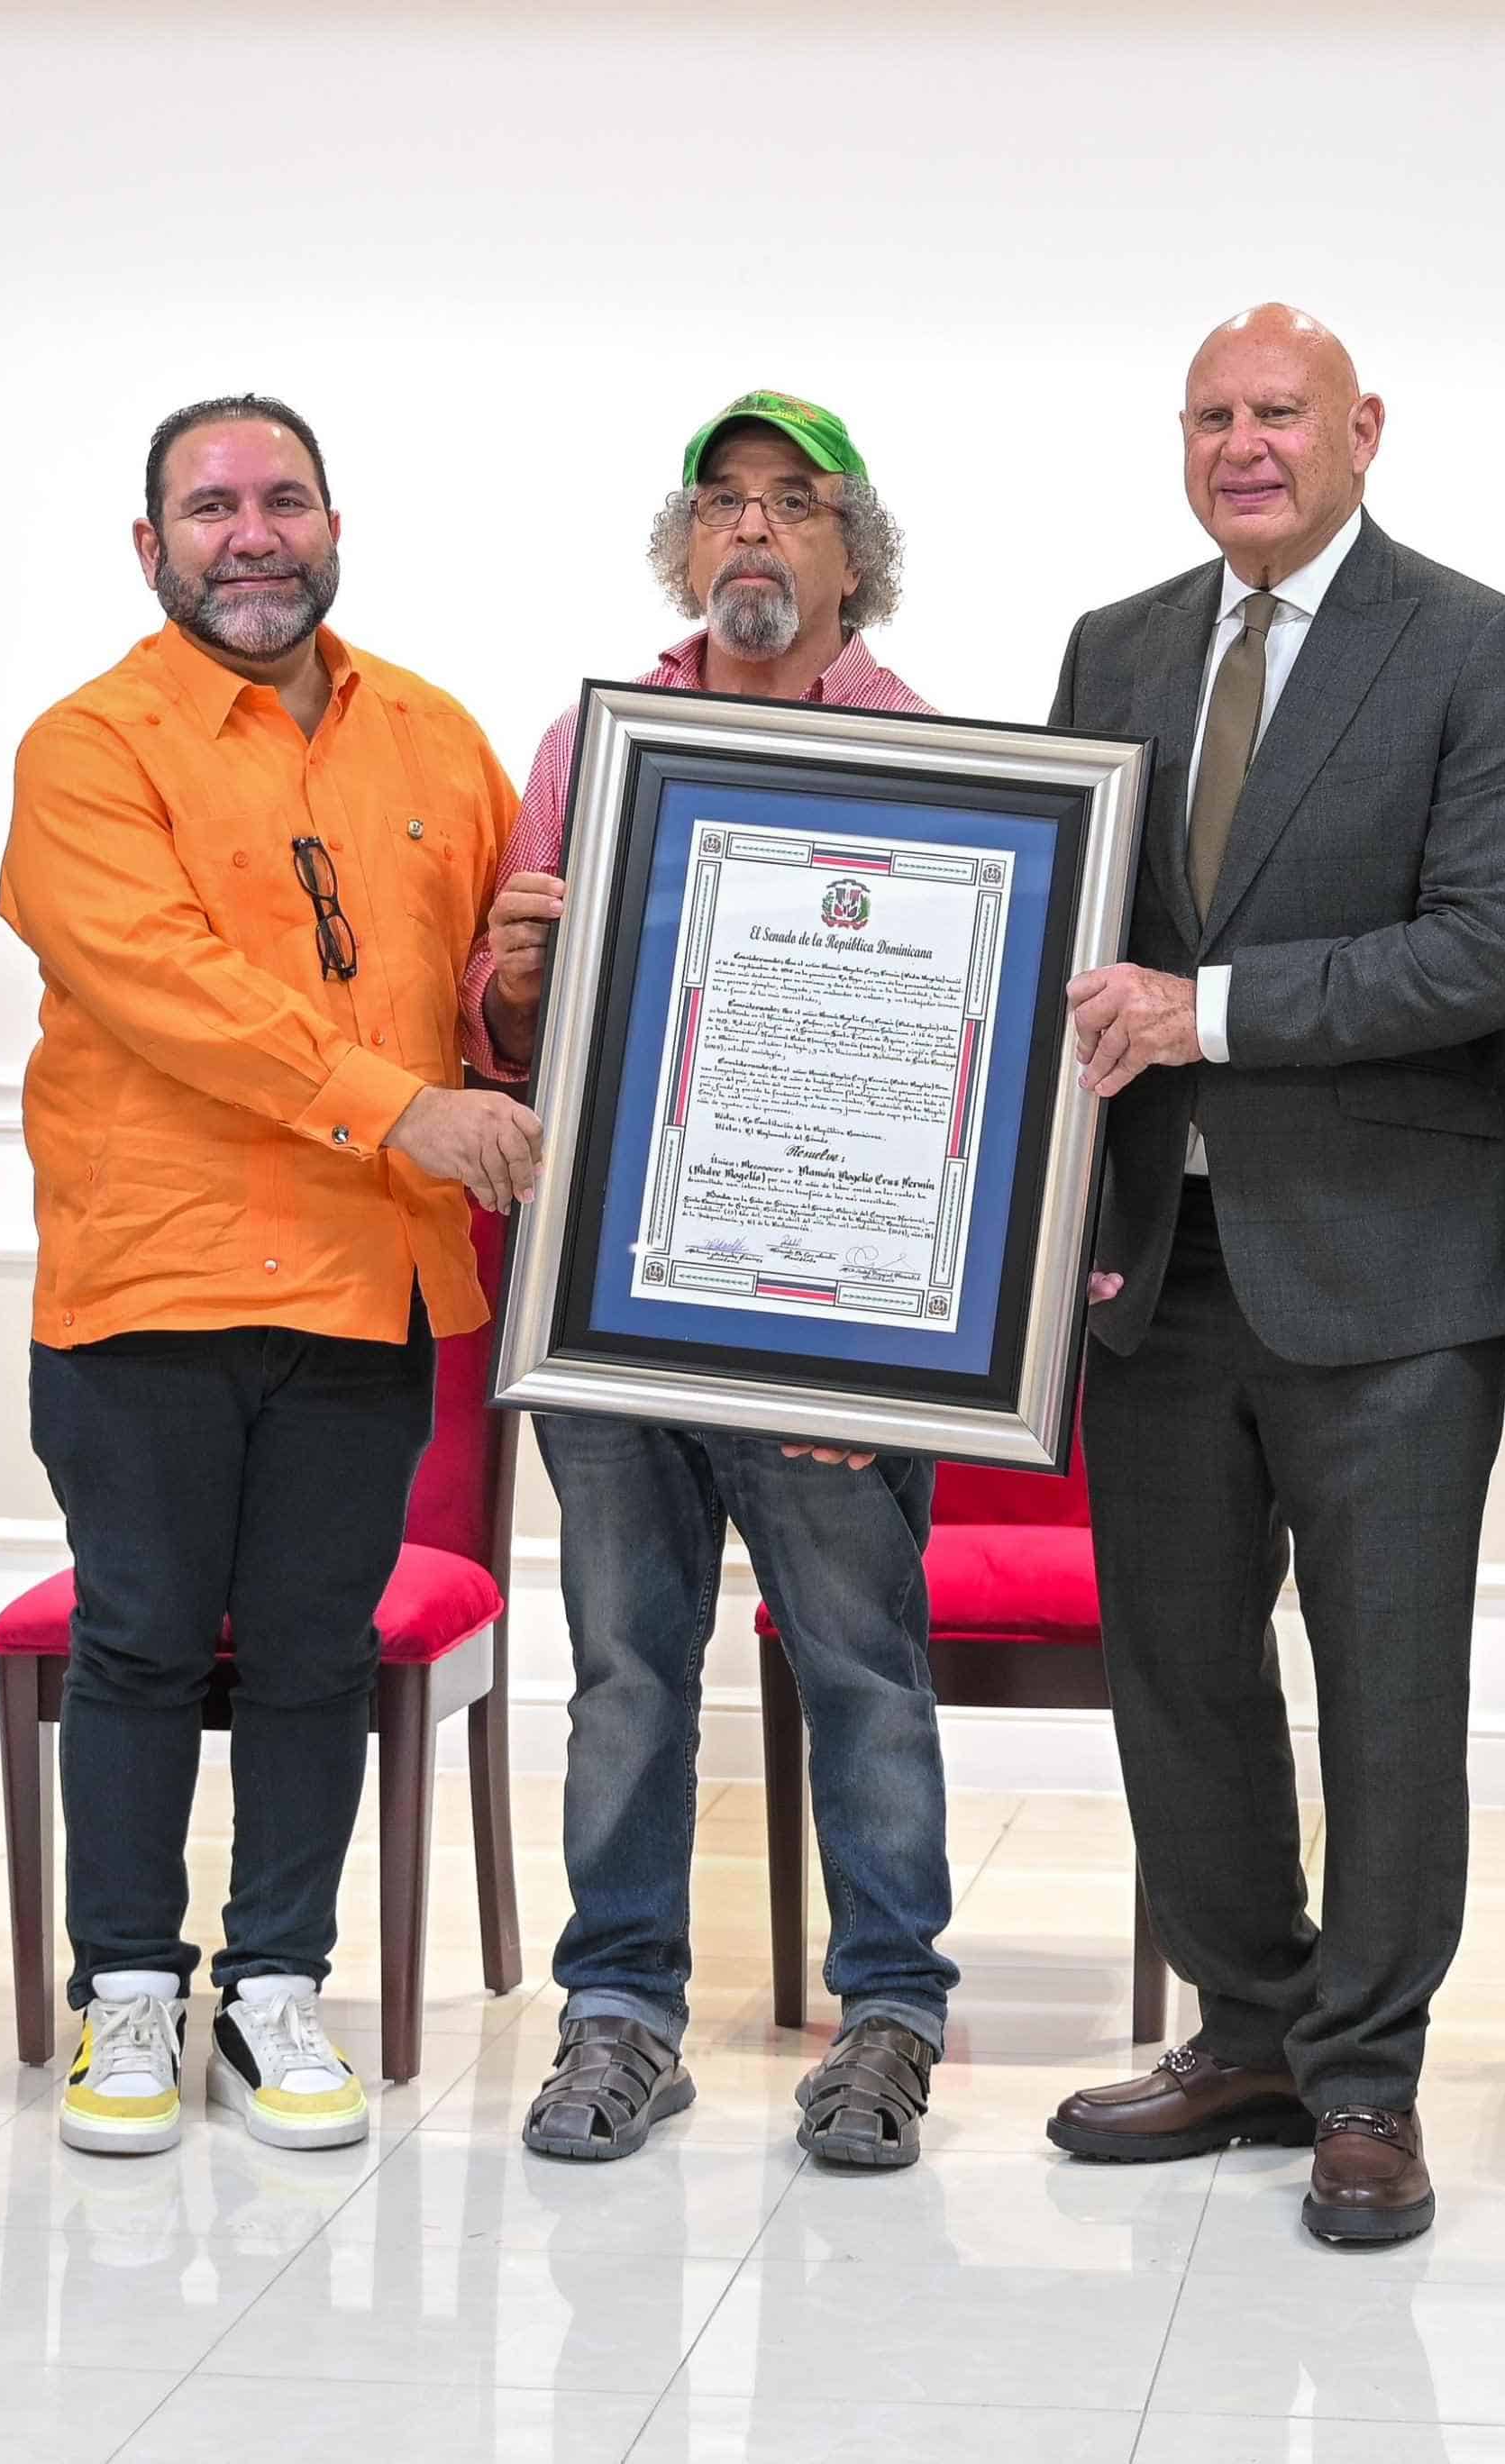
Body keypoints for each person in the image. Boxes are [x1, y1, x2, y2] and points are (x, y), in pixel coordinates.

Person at [1039, 305, 1505, 2246]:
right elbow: (1058, 921)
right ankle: (1247, 2029)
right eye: (1208, 416)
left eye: (1276, 414)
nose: (1240, 445)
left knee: (1381, 1691)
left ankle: (1365, 2078)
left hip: (1391, 1272)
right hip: (1151, 1263)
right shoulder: (1113, 646)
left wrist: (1217, 1014)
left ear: (1362, 428)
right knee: (1177, 1672)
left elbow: (1494, 950)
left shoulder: (1474, 644)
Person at [0, 393, 540, 2159]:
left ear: (330, 523)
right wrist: (412, 1110)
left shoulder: (439, 743)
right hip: (150, 1278)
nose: (251, 535)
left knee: (313, 1652)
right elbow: (169, 992)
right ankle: (130, 2002)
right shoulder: (89, 748)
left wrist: (533, 998)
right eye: (209, 505)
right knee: (146, 1644)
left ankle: (277, 1989)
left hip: (365, 1287)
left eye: (281, 499)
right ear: (147, 542)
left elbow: (475, 1006)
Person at [462, 390, 961, 2170]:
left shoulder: (931, 757)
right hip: (611, 1303)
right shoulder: (585, 749)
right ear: (685, 548)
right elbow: (515, 1039)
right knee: (623, 1669)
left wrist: (886, 1366)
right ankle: (620, 2019)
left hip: (822, 1321)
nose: (754, 529)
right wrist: (514, 981)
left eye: (794, 502)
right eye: (723, 501)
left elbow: (947, 1080)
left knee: (856, 1664)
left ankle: (889, 2014)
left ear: (853, 555)